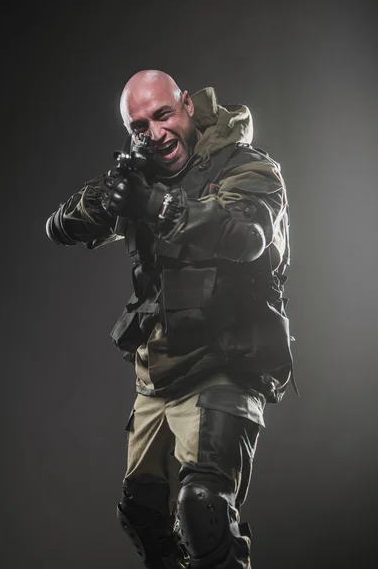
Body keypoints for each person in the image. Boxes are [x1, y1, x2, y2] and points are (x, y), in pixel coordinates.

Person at [46, 70, 296, 569]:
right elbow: (59, 227)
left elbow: (246, 235)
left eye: (163, 115)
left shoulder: (246, 167)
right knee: (143, 516)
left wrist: (156, 206)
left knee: (202, 509)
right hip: (159, 371)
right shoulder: (145, 175)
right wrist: (109, 195)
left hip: (225, 360)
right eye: (140, 126)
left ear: (186, 106)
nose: (155, 133)